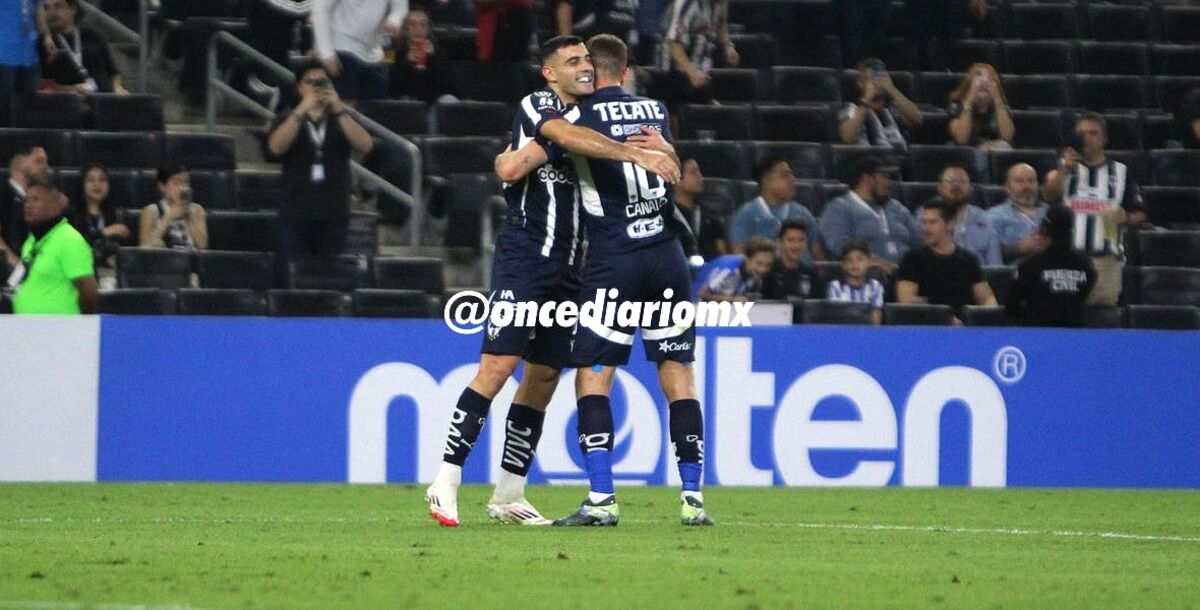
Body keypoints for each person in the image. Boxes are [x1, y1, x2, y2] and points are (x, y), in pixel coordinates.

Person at [425, 35, 678, 528]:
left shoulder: (593, 117)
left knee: (542, 377)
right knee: (498, 368)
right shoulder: (539, 105)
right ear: (550, 73)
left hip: (571, 267)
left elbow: (517, 162)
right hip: (525, 257)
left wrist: (519, 159)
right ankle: (446, 480)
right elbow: (554, 138)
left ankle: (509, 493)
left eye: (587, 59)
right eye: (572, 61)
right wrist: (634, 154)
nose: (585, 67)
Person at [521, 34, 707, 527]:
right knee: (678, 374)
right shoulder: (657, 111)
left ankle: (601, 499)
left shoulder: (577, 119)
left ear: (590, 73)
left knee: (594, 375)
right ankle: (693, 499)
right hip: (668, 255)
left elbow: (551, 148)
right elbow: (663, 154)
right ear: (625, 73)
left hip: (615, 258)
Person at [267, 61, 373, 261]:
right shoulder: (287, 117)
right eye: (310, 82)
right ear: (300, 88)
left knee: (329, 275)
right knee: (292, 273)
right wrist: (300, 111)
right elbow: (275, 147)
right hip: (295, 211)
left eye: (322, 82)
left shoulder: (341, 118)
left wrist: (339, 109)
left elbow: (366, 145)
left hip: (334, 211)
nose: (317, 87)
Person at [1042, 112, 1146, 307]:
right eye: (1081, 134)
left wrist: (1126, 217)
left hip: (1104, 261)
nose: (1086, 138)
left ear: (1104, 138)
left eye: (1093, 133)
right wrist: (1065, 169)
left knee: (1102, 319)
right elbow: (1047, 195)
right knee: (1065, 316)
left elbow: (1140, 214)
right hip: (1067, 261)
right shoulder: (1063, 170)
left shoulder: (1121, 172)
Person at [897, 200, 998, 324]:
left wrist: (987, 315)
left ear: (950, 225)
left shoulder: (968, 260)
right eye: (923, 222)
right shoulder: (912, 259)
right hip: (929, 329)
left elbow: (987, 298)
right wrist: (945, 320)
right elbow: (907, 303)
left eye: (932, 222)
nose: (925, 228)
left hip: (966, 329)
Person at [10, 177, 98, 315]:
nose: (28, 205)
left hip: (60, 330)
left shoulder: (69, 240)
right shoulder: (31, 241)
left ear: (56, 205)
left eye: (36, 200)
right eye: (27, 200)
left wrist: (78, 325)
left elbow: (89, 294)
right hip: (26, 329)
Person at [818, 156, 920, 274]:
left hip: (907, 274)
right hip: (866, 276)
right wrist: (873, 261)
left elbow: (919, 240)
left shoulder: (898, 208)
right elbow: (840, 245)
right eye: (884, 177)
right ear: (866, 179)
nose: (889, 183)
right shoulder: (839, 208)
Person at [1006, 205, 1096, 328]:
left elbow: (1012, 304)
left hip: (1037, 335)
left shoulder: (1031, 266)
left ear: (1045, 229)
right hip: (1074, 338)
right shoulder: (1086, 267)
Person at [651, 0, 737, 115]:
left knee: (717, 115)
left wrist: (728, 46)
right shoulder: (686, 4)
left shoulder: (719, 4)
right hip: (672, 73)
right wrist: (692, 73)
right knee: (679, 117)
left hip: (699, 72)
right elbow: (674, 45)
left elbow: (721, 24)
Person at [311, 0, 406, 102]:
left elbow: (400, 6)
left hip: (374, 52)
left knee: (376, 109)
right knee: (346, 105)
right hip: (343, 47)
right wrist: (326, 53)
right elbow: (320, 10)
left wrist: (394, 20)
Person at [728, 157, 820, 258]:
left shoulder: (802, 212)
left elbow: (818, 254)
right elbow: (739, 256)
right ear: (766, 181)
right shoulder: (746, 214)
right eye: (785, 175)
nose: (793, 179)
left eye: (791, 175)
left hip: (803, 271)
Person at [40, 0, 127, 94]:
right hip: (69, 102)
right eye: (47, 8)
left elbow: (113, 72)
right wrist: (71, 89)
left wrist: (117, 87)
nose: (52, 13)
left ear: (73, 9)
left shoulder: (92, 36)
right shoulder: (46, 43)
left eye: (59, 6)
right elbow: (43, 84)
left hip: (103, 99)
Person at [838, 58, 922, 151]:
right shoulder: (851, 109)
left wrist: (891, 89)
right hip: (869, 162)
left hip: (901, 161)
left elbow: (917, 119)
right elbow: (847, 137)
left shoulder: (893, 109)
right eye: (868, 79)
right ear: (860, 83)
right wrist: (866, 99)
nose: (876, 82)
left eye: (879, 78)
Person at [69, 163, 131, 290]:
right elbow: (75, 245)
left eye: (102, 180)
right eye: (91, 180)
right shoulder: (72, 216)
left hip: (110, 274)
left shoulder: (116, 217)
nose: (97, 185)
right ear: (82, 185)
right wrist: (103, 232)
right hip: (81, 273)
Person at [932, 164, 1001, 266]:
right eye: (950, 181)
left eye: (962, 181)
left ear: (971, 188)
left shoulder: (984, 218)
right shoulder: (926, 215)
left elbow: (995, 264)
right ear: (940, 187)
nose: (956, 185)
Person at [1, 143, 51, 272]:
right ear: (20, 162)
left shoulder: (46, 199)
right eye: (39, 161)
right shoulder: (3, 194)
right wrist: (16, 264)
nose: (45, 167)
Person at [1, 0, 52, 126]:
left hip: (29, 54)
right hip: (3, 54)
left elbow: (38, 11)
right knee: (4, 109)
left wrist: (46, 36)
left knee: (28, 110)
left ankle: (25, 142)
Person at [986, 163, 1048, 264]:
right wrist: (1017, 249)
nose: (1026, 186)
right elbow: (986, 253)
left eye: (1031, 181)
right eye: (1019, 181)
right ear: (1007, 187)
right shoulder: (992, 216)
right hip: (1012, 274)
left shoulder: (1051, 212)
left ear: (1038, 185)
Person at [387, 8, 452, 105]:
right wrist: (406, 62)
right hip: (406, 105)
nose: (418, 28)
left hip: (433, 103)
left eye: (423, 24)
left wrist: (433, 58)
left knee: (449, 100)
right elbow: (389, 86)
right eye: (412, 24)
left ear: (428, 29)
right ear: (405, 29)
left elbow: (449, 86)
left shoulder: (439, 53)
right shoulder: (394, 52)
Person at [139, 164, 208, 251]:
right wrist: (168, 218)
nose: (183, 188)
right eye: (176, 183)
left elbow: (202, 245)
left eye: (186, 182)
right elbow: (144, 248)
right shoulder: (151, 211)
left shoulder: (197, 210)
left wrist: (189, 216)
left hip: (191, 259)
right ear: (162, 187)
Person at [948, 63, 1013, 150]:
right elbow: (961, 139)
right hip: (966, 153)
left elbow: (1007, 137)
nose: (984, 82)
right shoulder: (956, 105)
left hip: (994, 151)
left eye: (990, 78)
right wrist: (970, 99)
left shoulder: (1001, 105)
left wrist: (997, 99)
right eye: (978, 76)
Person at [672, 156, 726, 260]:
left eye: (699, 172)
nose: (700, 176)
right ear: (676, 179)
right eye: (693, 173)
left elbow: (721, 251)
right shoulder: (666, 215)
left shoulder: (708, 214)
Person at [692, 236, 775, 302]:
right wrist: (732, 300)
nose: (763, 269)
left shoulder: (754, 275)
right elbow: (702, 294)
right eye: (759, 263)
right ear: (747, 258)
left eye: (767, 265)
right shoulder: (728, 269)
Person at [826, 241, 885, 325]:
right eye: (849, 260)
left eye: (860, 259)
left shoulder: (875, 286)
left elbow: (876, 315)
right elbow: (836, 316)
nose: (855, 264)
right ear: (843, 265)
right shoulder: (835, 286)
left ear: (869, 262)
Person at [761, 220, 821, 300]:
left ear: (806, 244)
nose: (796, 245)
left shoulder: (812, 276)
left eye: (801, 240)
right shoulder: (767, 273)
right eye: (791, 240)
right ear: (779, 243)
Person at [555, 0, 637, 42]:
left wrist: (630, 61)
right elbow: (565, 9)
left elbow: (626, 27)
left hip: (616, 56)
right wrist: (567, 44)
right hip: (588, 48)